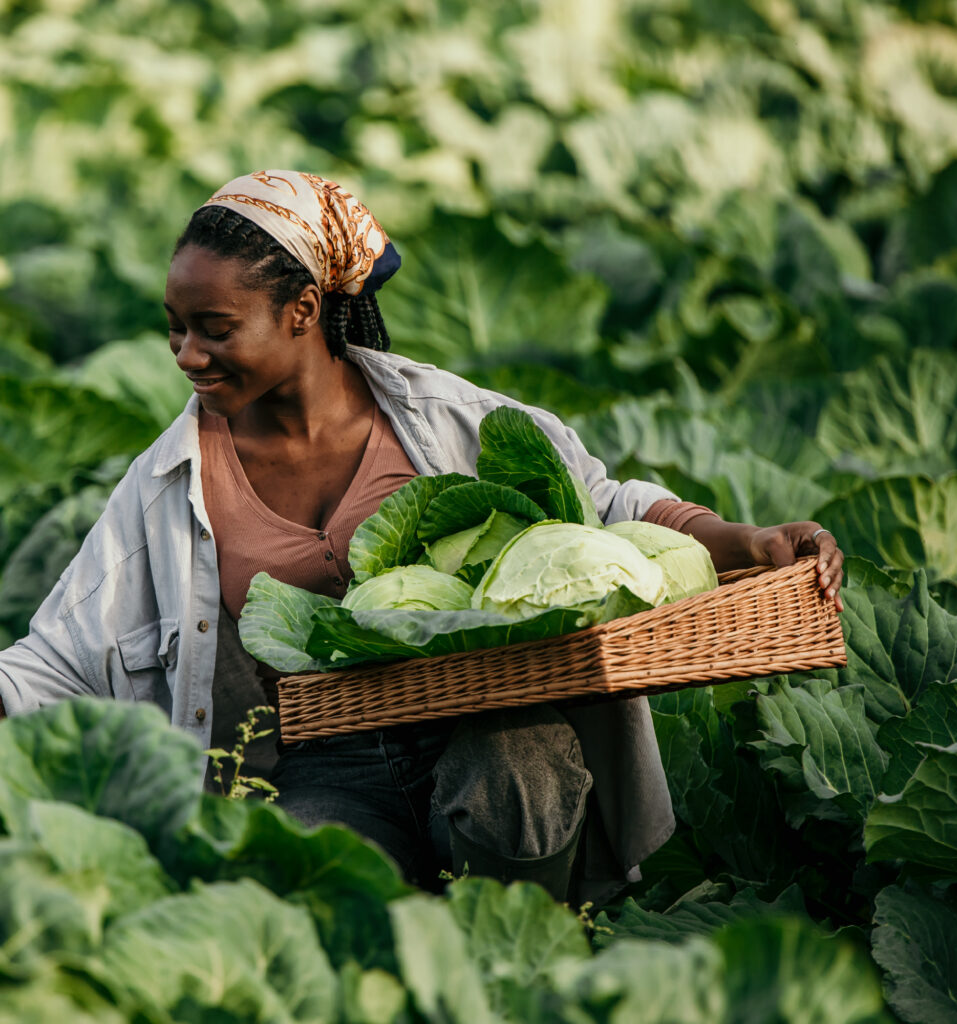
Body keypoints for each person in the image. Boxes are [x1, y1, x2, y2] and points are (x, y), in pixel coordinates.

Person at [0, 170, 844, 904]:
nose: (186, 354)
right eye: (174, 327)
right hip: (317, 767)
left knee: (523, 773)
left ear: (303, 310)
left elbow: (605, 505)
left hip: (486, 725)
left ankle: (525, 962)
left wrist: (747, 542)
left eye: (214, 328)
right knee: (310, 883)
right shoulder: (167, 483)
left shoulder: (447, 423)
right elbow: (58, 657)